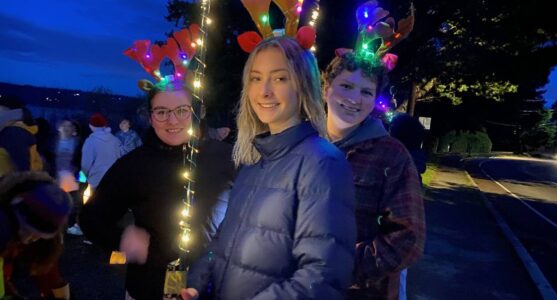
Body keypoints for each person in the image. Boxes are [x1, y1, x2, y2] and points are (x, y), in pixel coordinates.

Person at [181, 36, 357, 300]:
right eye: (255, 78)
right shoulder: (253, 161)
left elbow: (322, 276)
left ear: (303, 86)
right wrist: (196, 283)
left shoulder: (322, 163)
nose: (264, 91)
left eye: (279, 78)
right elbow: (221, 243)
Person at [79, 80, 235, 299]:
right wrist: (122, 237)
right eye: (162, 112)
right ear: (151, 117)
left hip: (211, 284)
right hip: (149, 285)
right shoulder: (134, 165)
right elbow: (90, 218)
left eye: (182, 110)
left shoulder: (225, 158)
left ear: (197, 112)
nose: (172, 120)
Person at [322, 50, 426, 300]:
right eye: (346, 86)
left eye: (366, 92)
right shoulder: (301, 143)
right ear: (326, 89)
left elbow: (407, 239)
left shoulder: (391, 156)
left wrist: (338, 268)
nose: (354, 99)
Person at [0, 171, 71, 299]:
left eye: (36, 235)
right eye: (26, 231)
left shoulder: (48, 209)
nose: (30, 238)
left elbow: (48, 268)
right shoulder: (3, 227)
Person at [80, 113, 121, 189]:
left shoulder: (90, 141)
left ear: (91, 126)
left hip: (96, 181)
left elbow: (85, 164)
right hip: (113, 180)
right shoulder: (115, 140)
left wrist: (81, 180)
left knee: (94, 200)